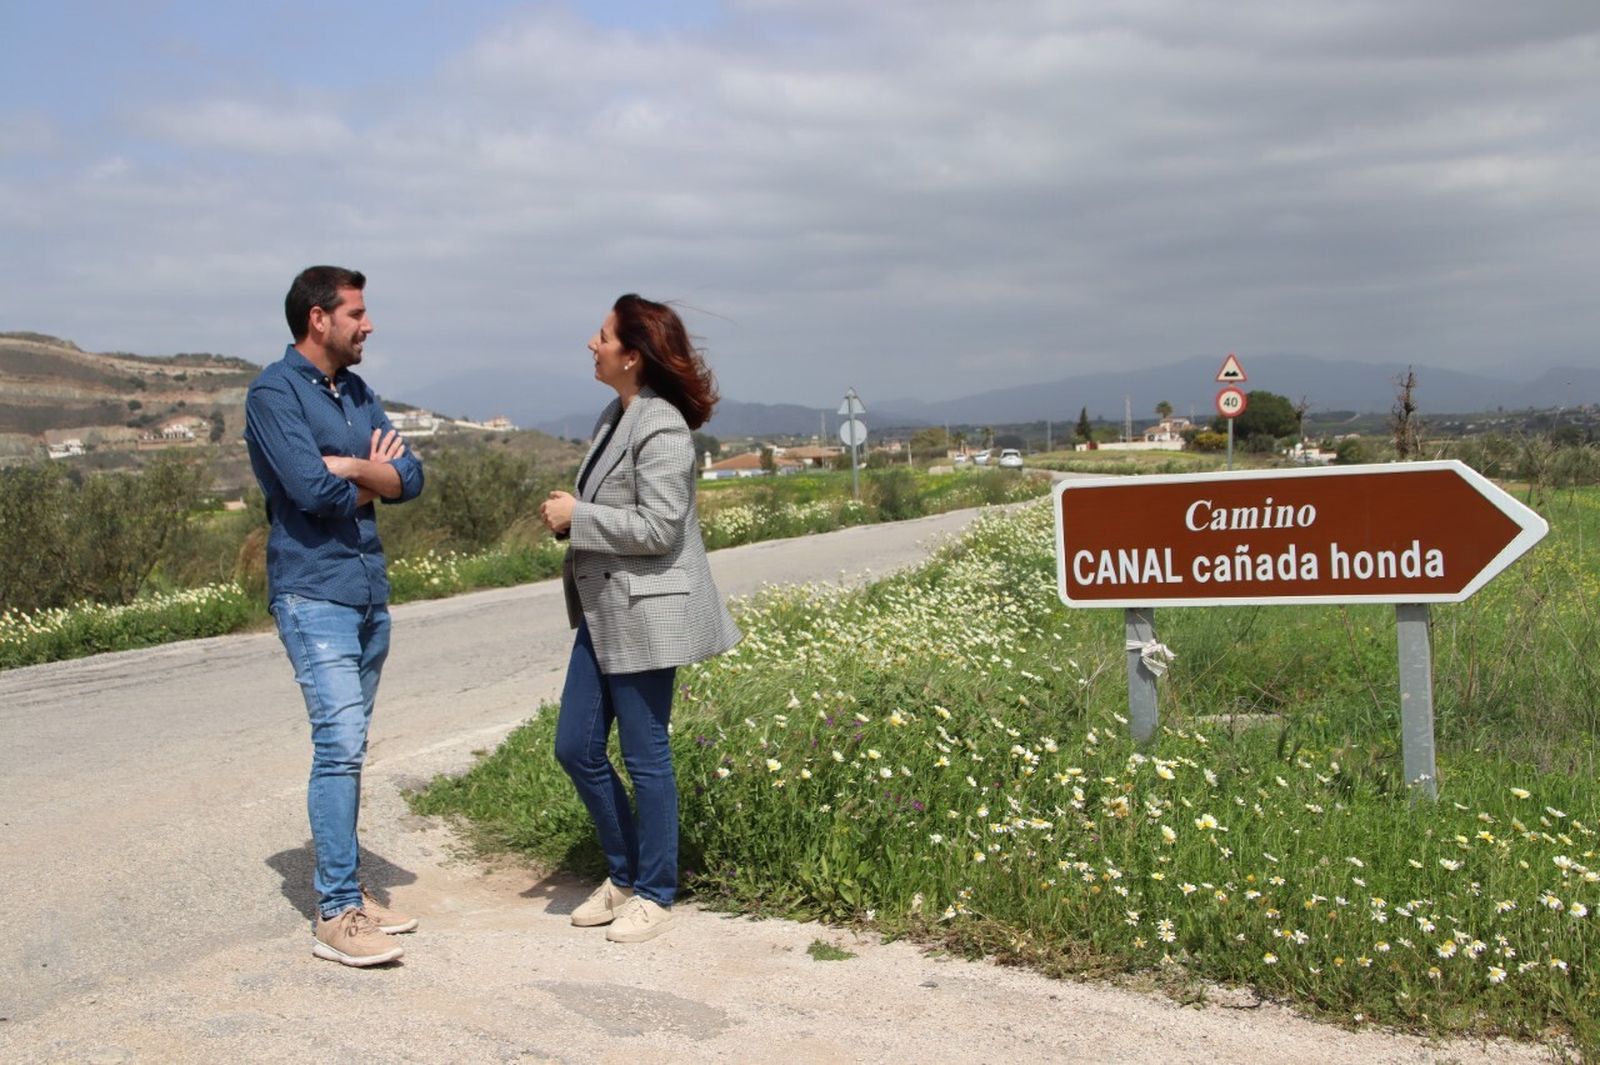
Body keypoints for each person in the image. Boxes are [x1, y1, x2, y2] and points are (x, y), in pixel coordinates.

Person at [539, 294, 742, 943]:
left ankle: (655, 886)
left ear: (632, 354)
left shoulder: (663, 427)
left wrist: (580, 518)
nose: (590, 344)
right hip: (603, 612)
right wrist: (572, 520)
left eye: (600, 336)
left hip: (648, 613)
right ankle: (625, 871)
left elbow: (659, 528)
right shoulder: (612, 415)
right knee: (574, 744)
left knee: (645, 754)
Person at [244, 266, 425, 967]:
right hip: (312, 589)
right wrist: (359, 471)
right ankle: (337, 911)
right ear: (318, 319)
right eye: (357, 312)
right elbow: (309, 489)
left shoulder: (356, 391)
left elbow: (411, 477)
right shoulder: (272, 391)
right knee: (340, 744)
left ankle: (351, 889)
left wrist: (350, 466)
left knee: (352, 747)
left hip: (367, 590)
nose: (369, 324)